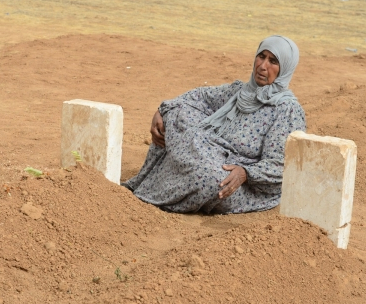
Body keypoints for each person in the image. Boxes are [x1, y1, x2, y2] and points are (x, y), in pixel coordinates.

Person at [123, 35, 306, 214]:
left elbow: (280, 165)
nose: (263, 66)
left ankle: (158, 194)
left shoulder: (287, 110)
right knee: (176, 115)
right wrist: (162, 111)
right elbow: (199, 96)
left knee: (210, 178)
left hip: (244, 184)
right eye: (261, 56)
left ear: (285, 68)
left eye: (273, 61)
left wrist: (245, 173)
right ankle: (149, 182)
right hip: (212, 155)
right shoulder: (240, 92)